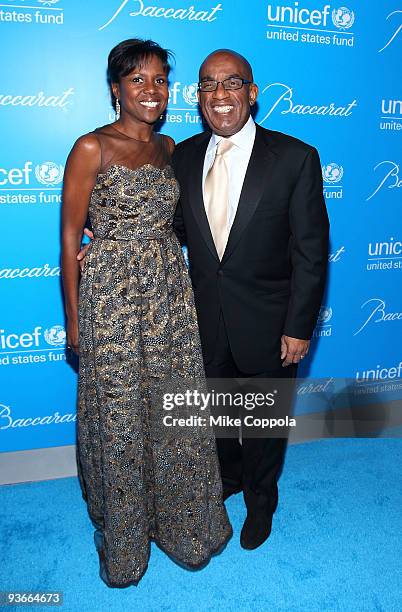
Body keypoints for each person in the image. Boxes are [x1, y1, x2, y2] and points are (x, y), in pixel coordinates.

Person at [61, 39, 232, 588]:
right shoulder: (91, 147)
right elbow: (68, 240)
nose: (151, 90)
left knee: (172, 411)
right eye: (138, 80)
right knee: (119, 417)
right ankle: (127, 538)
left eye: (160, 80)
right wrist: (72, 321)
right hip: (110, 298)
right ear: (116, 89)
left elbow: (180, 225)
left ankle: (183, 527)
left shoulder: (171, 147)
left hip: (167, 295)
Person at [171, 50, 329, 550]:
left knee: (262, 426)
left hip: (269, 323)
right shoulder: (184, 156)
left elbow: (311, 252)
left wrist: (299, 327)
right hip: (203, 321)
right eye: (208, 86)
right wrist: (105, 238)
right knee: (217, 419)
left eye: (232, 83)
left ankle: (262, 502)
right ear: (198, 97)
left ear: (252, 92)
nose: (220, 96)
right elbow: (174, 229)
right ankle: (230, 479)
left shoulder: (296, 158)